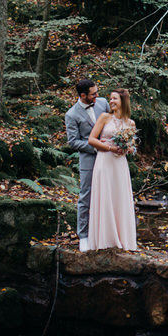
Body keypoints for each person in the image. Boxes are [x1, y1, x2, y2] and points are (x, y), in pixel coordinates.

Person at [87, 88, 137, 251]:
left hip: (120, 164)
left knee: (119, 198)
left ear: (123, 101)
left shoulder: (130, 123)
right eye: (111, 99)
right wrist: (109, 148)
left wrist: (126, 148)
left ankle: (122, 239)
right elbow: (91, 140)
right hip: (105, 161)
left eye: (115, 98)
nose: (111, 101)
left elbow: (132, 147)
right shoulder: (104, 117)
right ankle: (104, 240)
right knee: (105, 196)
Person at [65, 79, 110, 252]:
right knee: (86, 197)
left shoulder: (103, 103)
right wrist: (97, 147)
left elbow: (112, 125)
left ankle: (105, 233)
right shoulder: (71, 114)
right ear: (83, 95)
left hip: (109, 158)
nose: (97, 96)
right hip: (90, 159)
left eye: (97, 92)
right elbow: (73, 142)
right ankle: (83, 236)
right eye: (93, 94)